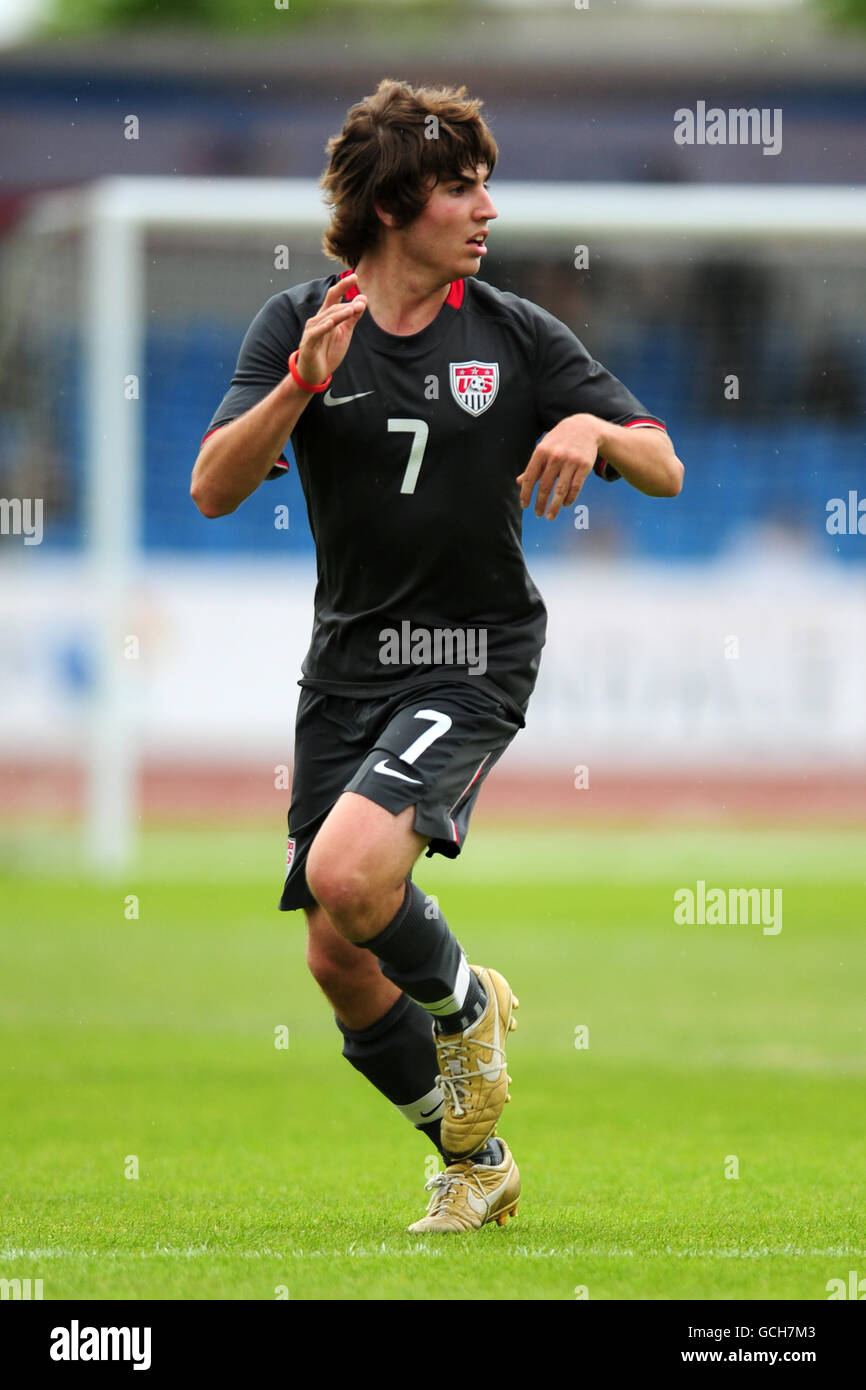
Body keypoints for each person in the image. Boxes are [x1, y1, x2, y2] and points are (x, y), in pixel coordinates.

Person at [191, 79, 683, 1234]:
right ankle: (474, 1161)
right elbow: (214, 487)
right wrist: (299, 388)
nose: (486, 209)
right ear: (397, 201)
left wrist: (595, 428)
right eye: (463, 187)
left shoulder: (512, 332)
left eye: (482, 185)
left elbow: (663, 466)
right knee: (335, 952)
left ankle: (468, 1011)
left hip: (470, 651)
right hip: (346, 664)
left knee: (350, 876)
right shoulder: (296, 322)